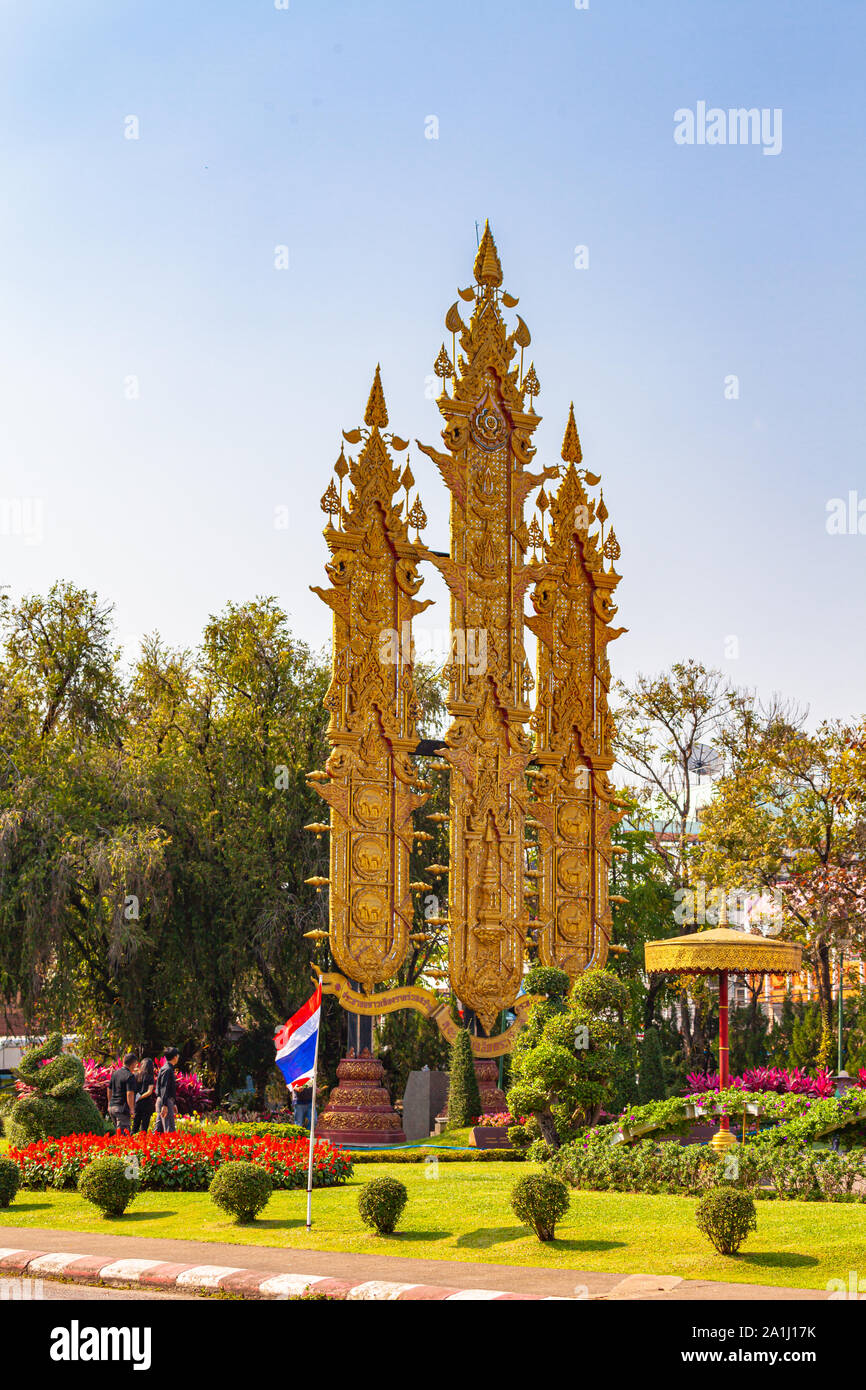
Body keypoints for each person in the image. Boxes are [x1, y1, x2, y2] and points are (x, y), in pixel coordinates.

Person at [108, 1053, 138, 1134]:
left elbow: (109, 1089)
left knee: (118, 1133)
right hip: (122, 1109)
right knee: (123, 1136)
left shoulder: (115, 1073)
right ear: (133, 1064)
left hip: (112, 1108)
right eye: (135, 1064)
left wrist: (109, 1103)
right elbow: (130, 1094)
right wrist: (132, 1109)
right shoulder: (129, 1076)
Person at [155, 1047, 179, 1132]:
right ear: (175, 1057)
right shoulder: (168, 1069)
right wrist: (165, 1105)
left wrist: (174, 1103)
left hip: (164, 1100)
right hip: (165, 1101)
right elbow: (164, 1088)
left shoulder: (165, 1068)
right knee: (169, 1129)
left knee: (159, 1130)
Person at [133, 1055, 156, 1133]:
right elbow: (149, 1091)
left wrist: (137, 1098)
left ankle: (131, 1141)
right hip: (146, 1103)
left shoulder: (136, 1075)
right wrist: (141, 1097)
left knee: (135, 1125)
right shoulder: (150, 1077)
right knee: (144, 1127)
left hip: (137, 1103)